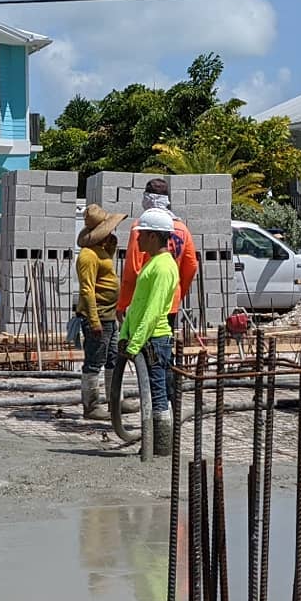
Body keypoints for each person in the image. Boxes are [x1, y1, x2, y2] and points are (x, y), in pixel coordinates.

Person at [118, 205, 179, 456]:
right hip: (145, 339)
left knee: (157, 393)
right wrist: (125, 336)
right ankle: (155, 446)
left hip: (155, 341)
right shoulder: (153, 263)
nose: (138, 238)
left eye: (141, 234)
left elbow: (153, 311)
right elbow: (137, 307)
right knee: (156, 391)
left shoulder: (164, 267)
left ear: (154, 236)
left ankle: (160, 448)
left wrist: (134, 345)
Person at [116, 176, 198, 324]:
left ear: (146, 199)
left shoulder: (142, 228)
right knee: (165, 342)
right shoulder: (182, 228)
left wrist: (123, 303)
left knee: (143, 344)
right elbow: (191, 266)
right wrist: (177, 292)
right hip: (170, 300)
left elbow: (133, 270)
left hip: (146, 300)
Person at [75, 203, 126, 419]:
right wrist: (94, 321)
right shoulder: (87, 256)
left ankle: (115, 402)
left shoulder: (100, 251)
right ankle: (91, 405)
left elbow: (106, 273)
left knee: (113, 358)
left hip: (109, 316)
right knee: (94, 361)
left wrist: (111, 246)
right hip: (97, 318)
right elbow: (87, 290)